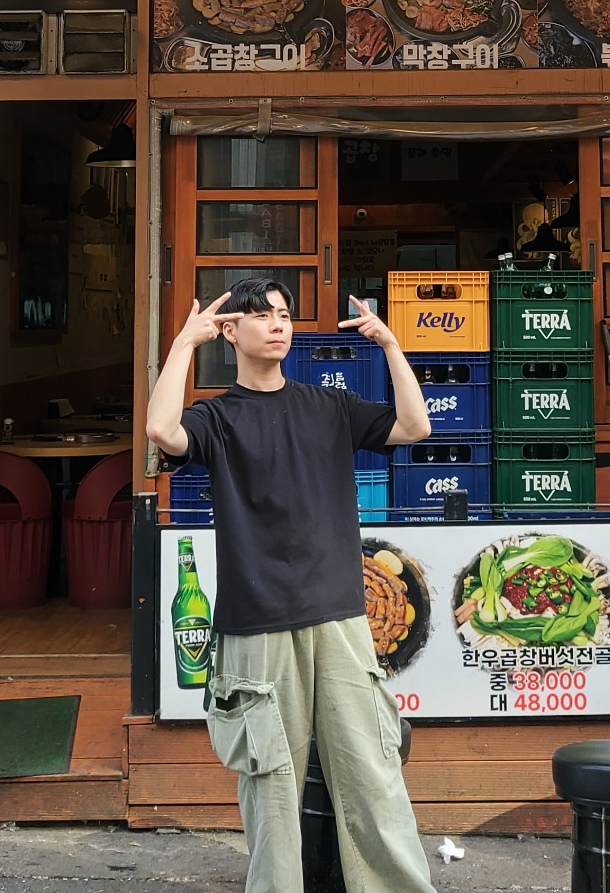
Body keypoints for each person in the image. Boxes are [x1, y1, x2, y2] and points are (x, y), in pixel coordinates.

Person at [146, 277, 437, 893]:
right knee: (271, 784)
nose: (278, 324)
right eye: (261, 315)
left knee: (371, 770)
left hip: (339, 616)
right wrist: (183, 345)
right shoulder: (217, 417)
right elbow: (162, 431)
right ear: (229, 332)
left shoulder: (328, 406)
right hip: (257, 622)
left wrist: (390, 346)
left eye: (283, 314)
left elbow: (416, 427)